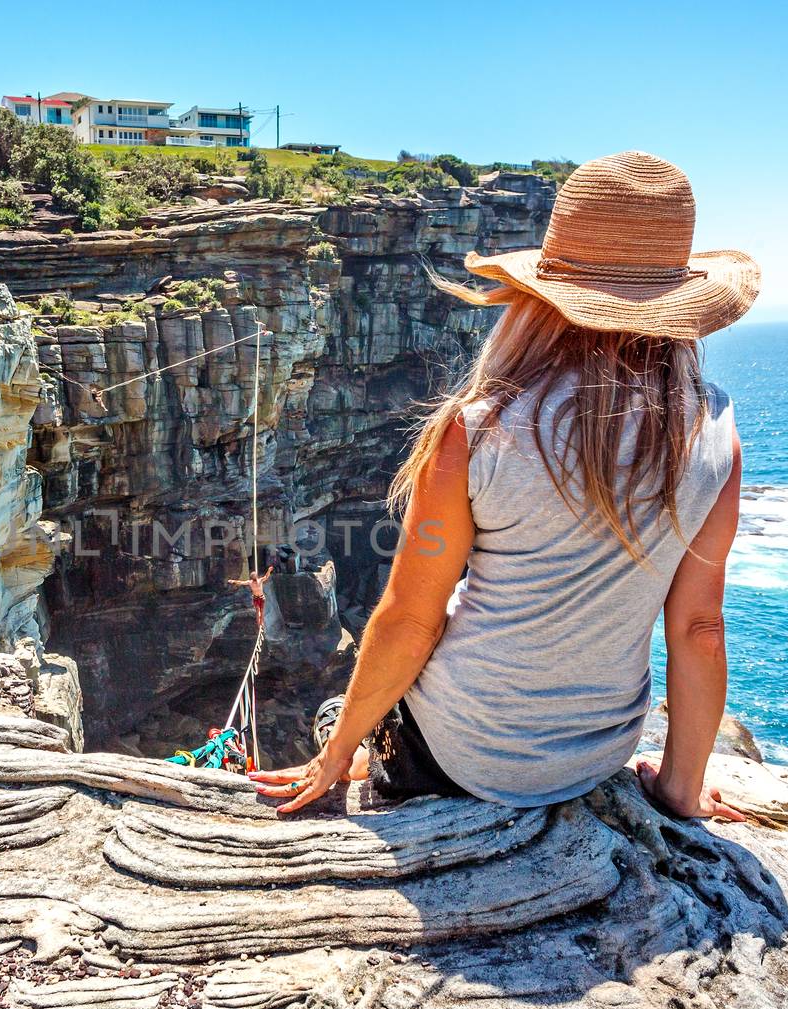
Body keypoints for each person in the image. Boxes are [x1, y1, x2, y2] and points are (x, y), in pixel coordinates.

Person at [251, 151, 757, 820]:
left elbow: (409, 618)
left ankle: (345, 738)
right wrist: (680, 789)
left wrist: (338, 752)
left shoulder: (481, 432)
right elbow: (697, 629)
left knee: (333, 710)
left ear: (543, 298)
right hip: (593, 757)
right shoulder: (714, 433)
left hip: (459, 758)